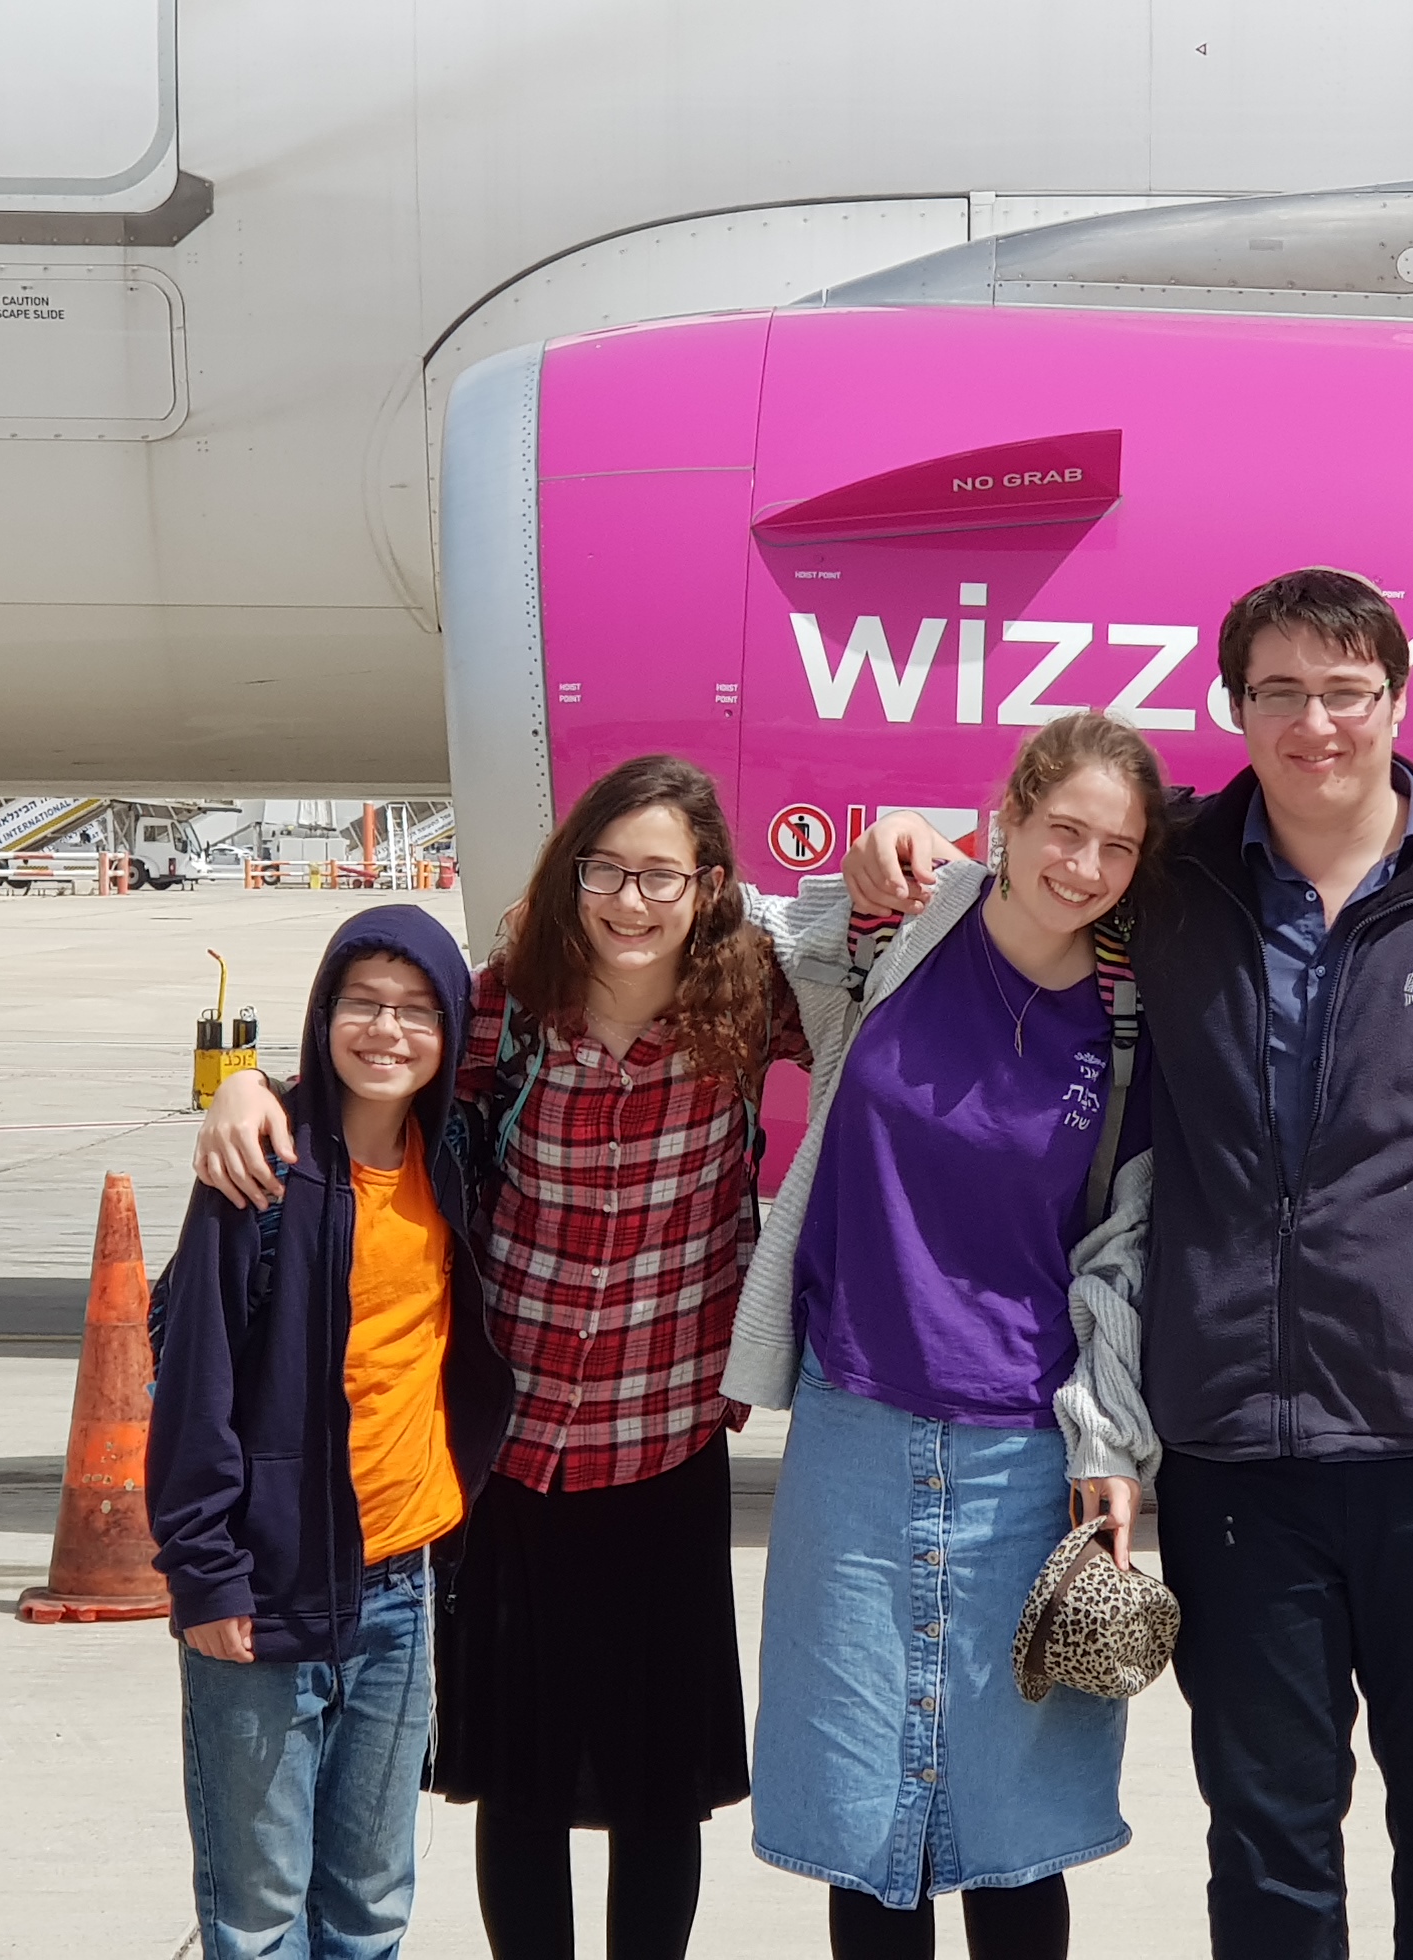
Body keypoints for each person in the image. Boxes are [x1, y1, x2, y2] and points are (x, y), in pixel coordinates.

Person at [844, 568, 1413, 1960]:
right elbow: (1044, 872)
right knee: (1266, 1839)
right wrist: (913, 841)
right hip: (1236, 1450)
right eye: (1280, 691)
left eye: (1346, 692)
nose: (1314, 723)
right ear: (1235, 707)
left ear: (1397, 700)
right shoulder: (1177, 878)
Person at [198, 755, 806, 1960]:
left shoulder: (752, 1004)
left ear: (708, 886)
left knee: (657, 1786)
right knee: (519, 1782)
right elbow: (379, 1072)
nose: (629, 901)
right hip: (512, 1454)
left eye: (661, 876)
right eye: (605, 870)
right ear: (569, 873)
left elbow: (884, 966)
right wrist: (247, 1091)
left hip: (665, 1442)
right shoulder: (510, 1008)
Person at [732, 712, 1169, 1960]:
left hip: (1026, 1449)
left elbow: (1125, 1248)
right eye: (1064, 830)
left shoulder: (1128, 1017)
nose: (1084, 867)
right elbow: (754, 933)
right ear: (1010, 815)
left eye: (1117, 848)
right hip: (855, 1423)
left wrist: (1110, 1440)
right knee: (867, 1827)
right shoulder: (907, 928)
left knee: (1011, 1828)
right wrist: (871, 847)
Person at [148, 903, 513, 1960]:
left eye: (417, 1010)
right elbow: (194, 1382)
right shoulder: (258, 1175)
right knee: (259, 1912)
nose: (388, 1029)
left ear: (450, 1031)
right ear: (323, 1014)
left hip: (401, 1588)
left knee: (370, 1903)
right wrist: (206, 1576)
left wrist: (245, 1081)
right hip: (266, 1588)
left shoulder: (455, 1160)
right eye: (364, 1002)